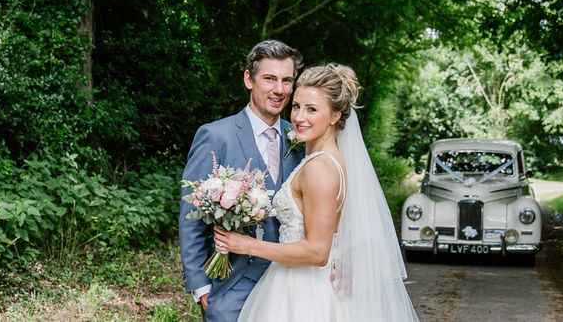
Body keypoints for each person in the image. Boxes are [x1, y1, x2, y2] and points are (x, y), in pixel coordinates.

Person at [214, 64, 420, 322]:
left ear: (335, 116)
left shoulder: (320, 168)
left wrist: (248, 245)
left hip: (301, 292)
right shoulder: (329, 159)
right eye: (297, 106)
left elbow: (317, 252)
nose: (299, 117)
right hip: (301, 282)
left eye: (312, 109)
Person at [179, 39, 305, 322]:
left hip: (292, 286)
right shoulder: (215, 136)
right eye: (270, 79)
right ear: (249, 79)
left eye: (287, 81)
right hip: (233, 288)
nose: (279, 90)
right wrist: (201, 288)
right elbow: (191, 218)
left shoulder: (301, 139)